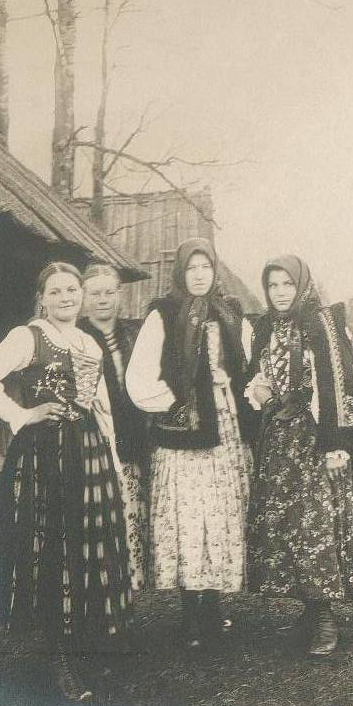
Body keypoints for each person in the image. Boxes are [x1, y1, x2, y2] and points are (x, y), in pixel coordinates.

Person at [0, 261, 133, 700]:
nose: (65, 298)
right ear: (42, 297)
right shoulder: (28, 337)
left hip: (88, 451)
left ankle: (85, 644)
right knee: (54, 546)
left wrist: (112, 459)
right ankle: (57, 656)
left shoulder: (88, 343)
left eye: (72, 290)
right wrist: (21, 415)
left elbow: (101, 408)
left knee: (86, 540)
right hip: (44, 457)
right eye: (55, 291)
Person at [244, 255, 353, 656]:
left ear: (301, 284)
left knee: (316, 525)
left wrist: (337, 443)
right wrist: (261, 391)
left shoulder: (320, 322)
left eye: (287, 284)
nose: (280, 292)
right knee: (288, 525)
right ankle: (308, 606)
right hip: (279, 442)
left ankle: (325, 618)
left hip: (318, 437)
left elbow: (336, 381)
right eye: (273, 285)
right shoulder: (265, 326)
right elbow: (260, 373)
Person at [126, 238, 255, 648]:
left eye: (205, 268)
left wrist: (235, 389)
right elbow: (140, 378)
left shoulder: (231, 312)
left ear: (215, 270)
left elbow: (251, 367)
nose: (199, 275)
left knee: (218, 515)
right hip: (183, 437)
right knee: (186, 517)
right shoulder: (163, 315)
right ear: (180, 273)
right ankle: (192, 616)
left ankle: (214, 610)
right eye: (191, 269)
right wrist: (179, 406)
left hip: (226, 431)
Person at [79, 263, 149, 591]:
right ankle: (99, 594)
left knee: (130, 519)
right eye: (95, 293)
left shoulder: (134, 333)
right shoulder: (76, 338)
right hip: (92, 444)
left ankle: (125, 595)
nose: (102, 300)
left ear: (119, 295)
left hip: (132, 442)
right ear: (83, 297)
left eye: (109, 292)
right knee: (99, 520)